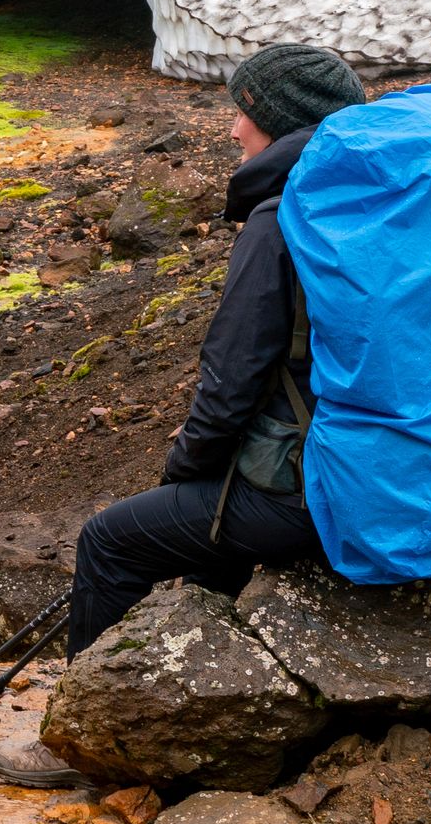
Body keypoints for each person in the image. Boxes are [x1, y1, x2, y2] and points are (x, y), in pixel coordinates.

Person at [56, 41, 366, 657]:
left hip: (318, 495)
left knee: (108, 541)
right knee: (207, 557)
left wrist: (185, 471)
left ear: (279, 122)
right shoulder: (382, 203)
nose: (232, 128)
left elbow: (230, 382)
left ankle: (82, 736)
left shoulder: (281, 222)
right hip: (399, 463)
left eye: (243, 111)